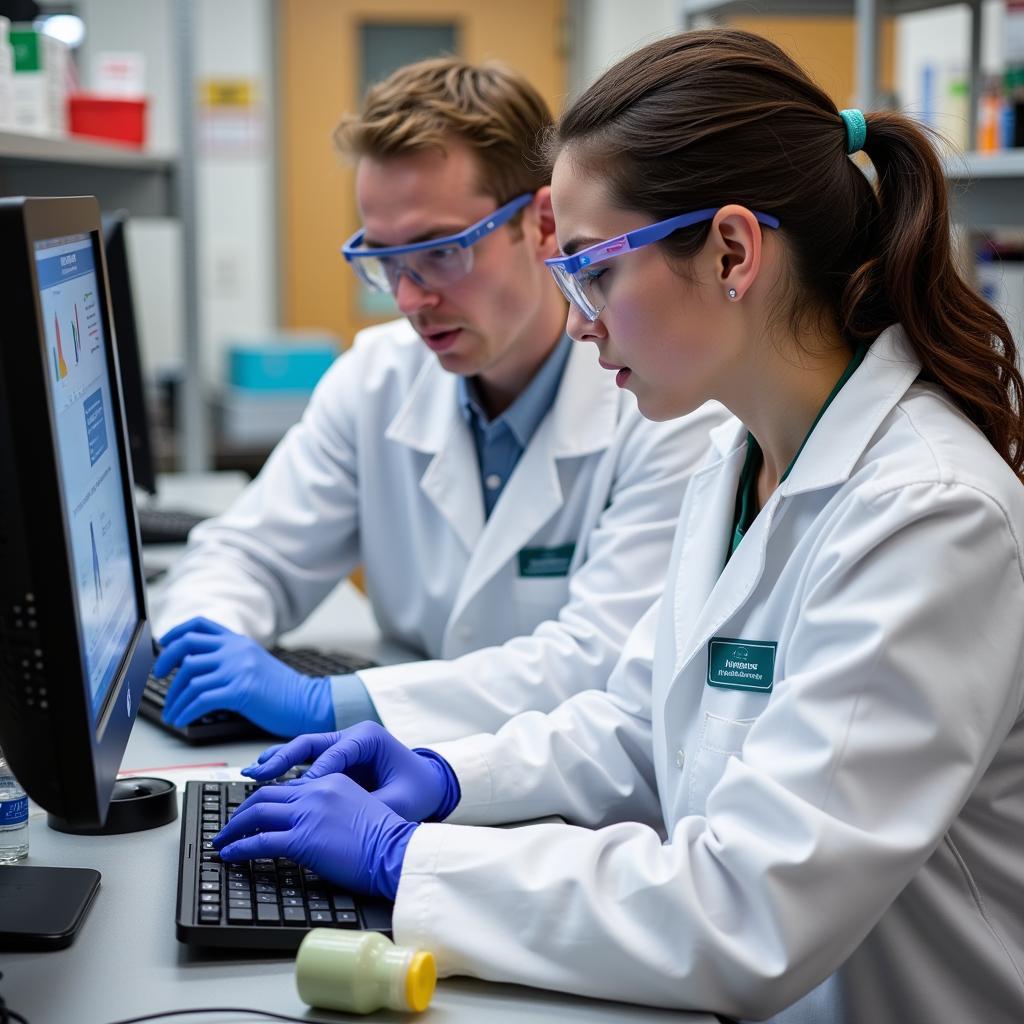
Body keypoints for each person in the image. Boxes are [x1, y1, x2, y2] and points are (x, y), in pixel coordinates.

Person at [212, 29, 1024, 1023]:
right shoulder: (743, 456)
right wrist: (441, 774)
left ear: (732, 250)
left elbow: (748, 911)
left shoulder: (929, 513)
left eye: (593, 271)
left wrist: (405, 857)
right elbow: (639, 726)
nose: (582, 318)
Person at [150, 58, 722, 742]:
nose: (409, 297)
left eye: (440, 250)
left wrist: (327, 704)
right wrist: (204, 642)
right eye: (385, 258)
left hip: (578, 815)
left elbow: (603, 661)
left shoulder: (665, 399)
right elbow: (249, 554)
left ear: (543, 223)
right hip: (411, 774)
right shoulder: (377, 378)